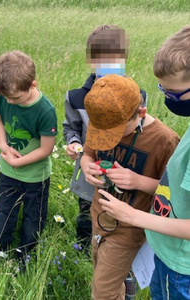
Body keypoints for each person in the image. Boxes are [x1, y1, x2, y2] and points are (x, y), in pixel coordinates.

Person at [98, 25, 190, 300]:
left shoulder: (163, 138)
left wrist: (133, 216)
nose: (167, 98)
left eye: (174, 94)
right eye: (162, 89)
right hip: (167, 252)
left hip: (180, 267)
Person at [80, 75, 179, 300]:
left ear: (140, 114)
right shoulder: (101, 121)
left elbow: (173, 194)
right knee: (103, 277)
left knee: (102, 292)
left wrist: (138, 181)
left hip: (128, 229)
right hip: (99, 217)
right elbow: (88, 154)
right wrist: (87, 167)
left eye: (113, 133)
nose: (106, 139)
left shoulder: (164, 140)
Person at [63, 24, 129, 254]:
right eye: (102, 59)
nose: (110, 65)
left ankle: (111, 247)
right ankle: (81, 249)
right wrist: (73, 143)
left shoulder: (134, 95)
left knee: (115, 214)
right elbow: (71, 127)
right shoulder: (76, 97)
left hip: (122, 170)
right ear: (92, 61)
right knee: (86, 212)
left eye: (115, 58)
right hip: (89, 171)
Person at [0, 50, 58, 263]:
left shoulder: (45, 111)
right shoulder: (4, 96)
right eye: (6, 97)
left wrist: (19, 161)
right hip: (8, 172)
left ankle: (26, 255)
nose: (10, 102)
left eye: (15, 98)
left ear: (32, 85)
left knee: (33, 218)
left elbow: (45, 149)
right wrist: (3, 146)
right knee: (4, 212)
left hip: (35, 177)